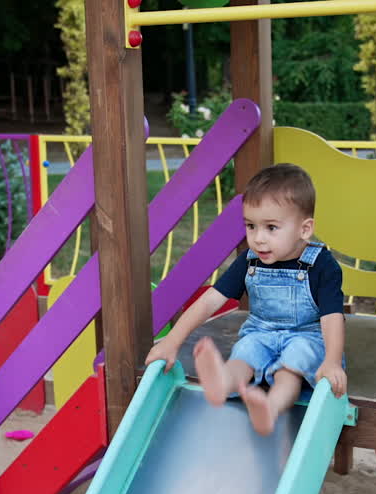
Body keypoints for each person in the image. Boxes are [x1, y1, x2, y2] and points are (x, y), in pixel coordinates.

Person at [145, 163, 347, 436]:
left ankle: (271, 408)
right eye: (251, 226)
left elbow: (332, 316)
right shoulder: (249, 261)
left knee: (292, 365)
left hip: (307, 336)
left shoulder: (322, 265)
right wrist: (171, 342)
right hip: (261, 332)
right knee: (246, 351)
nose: (258, 239)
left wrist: (332, 361)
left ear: (305, 228)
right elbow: (209, 302)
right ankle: (222, 383)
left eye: (271, 227)